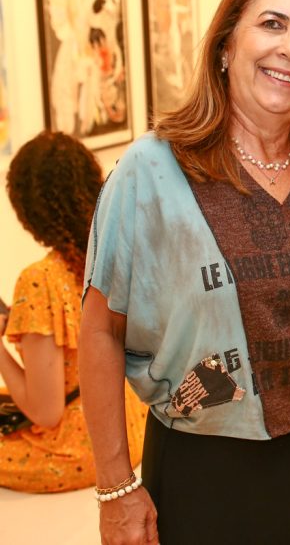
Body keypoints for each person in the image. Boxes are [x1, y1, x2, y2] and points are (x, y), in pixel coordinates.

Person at [79, 0, 290, 545]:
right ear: (225, 45)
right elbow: (100, 330)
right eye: (272, 24)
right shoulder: (153, 171)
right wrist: (115, 485)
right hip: (210, 465)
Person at [0, 131, 146, 492]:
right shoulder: (114, 254)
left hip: (79, 449)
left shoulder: (40, 280)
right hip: (131, 425)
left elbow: (46, 412)